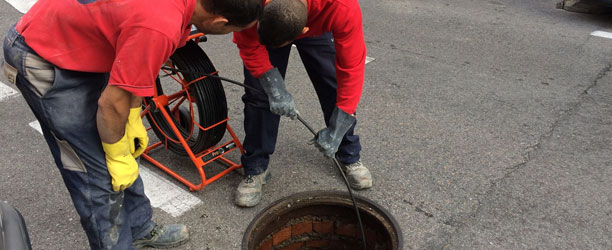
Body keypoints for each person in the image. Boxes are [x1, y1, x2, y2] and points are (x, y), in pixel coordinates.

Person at [2, 0, 262, 248]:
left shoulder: (174, 14)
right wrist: (115, 152)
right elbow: (111, 104)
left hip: (84, 42)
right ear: (220, 20)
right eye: (231, 30)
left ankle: (139, 228)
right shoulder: (160, 24)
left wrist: (133, 113)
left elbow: (139, 66)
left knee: (127, 147)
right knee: (98, 170)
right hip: (43, 55)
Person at [232, 0, 372, 207]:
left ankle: (347, 152)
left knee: (332, 85)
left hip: (315, 18)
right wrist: (272, 84)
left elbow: (351, 68)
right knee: (260, 95)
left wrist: (338, 126)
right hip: (266, 21)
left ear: (304, 31)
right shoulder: (251, 5)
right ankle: (256, 167)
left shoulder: (341, 7)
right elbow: (248, 43)